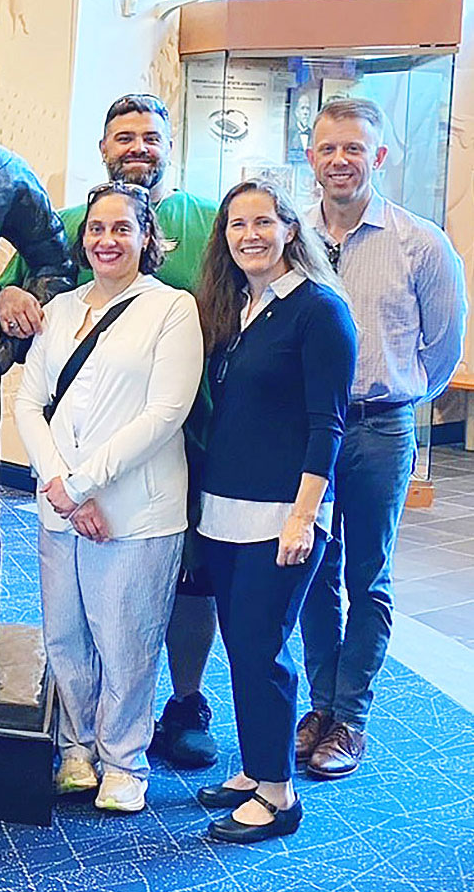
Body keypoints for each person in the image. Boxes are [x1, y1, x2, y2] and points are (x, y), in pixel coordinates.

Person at [0, 92, 223, 768]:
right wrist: (7, 294)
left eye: (151, 137)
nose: (138, 147)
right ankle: (82, 735)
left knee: (181, 583)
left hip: (195, 433)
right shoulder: (67, 223)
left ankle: (183, 701)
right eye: (124, 137)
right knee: (75, 614)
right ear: (103, 148)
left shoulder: (209, 221)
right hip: (74, 460)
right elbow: (15, 294)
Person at [15, 181, 202, 812]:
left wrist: (81, 485)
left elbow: (164, 414)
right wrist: (62, 489)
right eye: (96, 228)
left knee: (126, 640)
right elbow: (29, 401)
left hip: (136, 511)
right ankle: (77, 748)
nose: (107, 240)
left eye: (122, 228)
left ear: (147, 239)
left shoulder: (171, 308)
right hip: (61, 508)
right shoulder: (61, 309)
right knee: (66, 635)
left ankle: (124, 761)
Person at [297, 97, 467, 778]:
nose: (340, 160)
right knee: (310, 568)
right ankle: (318, 705)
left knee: (367, 575)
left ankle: (350, 718)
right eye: (328, 148)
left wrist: (392, 395)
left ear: (379, 157)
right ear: (310, 156)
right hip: (310, 430)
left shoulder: (419, 242)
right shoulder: (293, 236)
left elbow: (442, 350)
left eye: (354, 149)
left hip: (379, 427)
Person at [193, 179, 355, 843]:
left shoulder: (319, 310)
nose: (249, 235)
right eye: (236, 224)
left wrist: (302, 516)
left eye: (262, 221)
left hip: (281, 516)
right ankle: (258, 767)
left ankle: (280, 796)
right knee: (241, 647)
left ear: (291, 228)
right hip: (222, 511)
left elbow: (328, 425)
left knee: (264, 649)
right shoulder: (236, 308)